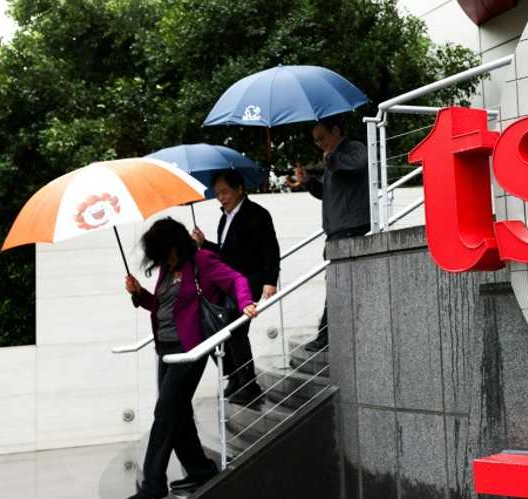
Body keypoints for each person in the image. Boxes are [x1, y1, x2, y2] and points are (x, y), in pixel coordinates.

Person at [125, 217, 258, 499]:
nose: (157, 257)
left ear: (173, 245)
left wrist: (246, 302)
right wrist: (139, 294)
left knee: (164, 413)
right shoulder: (166, 269)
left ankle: (152, 486)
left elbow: (237, 279)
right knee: (179, 414)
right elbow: (160, 306)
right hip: (165, 351)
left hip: (190, 349)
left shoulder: (201, 261)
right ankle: (200, 471)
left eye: (160, 249)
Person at [191, 169, 281, 407]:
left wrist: (270, 281)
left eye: (225, 192)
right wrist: (204, 243)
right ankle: (235, 377)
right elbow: (224, 254)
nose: (221, 197)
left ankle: (249, 385)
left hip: (250, 280)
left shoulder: (257, 214)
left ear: (239, 189)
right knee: (219, 330)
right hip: (227, 283)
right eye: (217, 193)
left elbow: (271, 249)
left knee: (236, 331)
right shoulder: (225, 218)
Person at [286, 115, 369, 352]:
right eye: (316, 140)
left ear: (336, 131)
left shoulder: (352, 149)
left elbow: (359, 164)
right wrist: (308, 181)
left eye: (322, 137)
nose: (320, 143)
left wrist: (332, 159)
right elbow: (327, 193)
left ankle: (326, 337)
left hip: (350, 229)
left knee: (336, 286)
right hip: (337, 231)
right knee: (336, 285)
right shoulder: (334, 158)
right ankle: (328, 336)